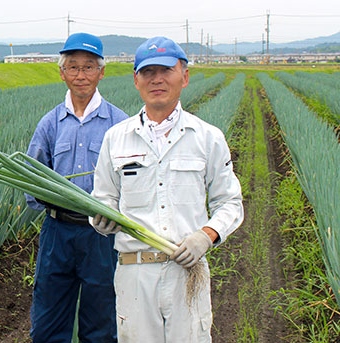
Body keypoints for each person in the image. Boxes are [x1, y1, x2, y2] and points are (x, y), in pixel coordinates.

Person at [91, 36, 244, 342]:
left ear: (184, 77)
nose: (157, 79)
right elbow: (103, 198)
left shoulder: (207, 138)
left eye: (166, 70)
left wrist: (207, 235)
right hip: (135, 273)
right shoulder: (116, 138)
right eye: (148, 72)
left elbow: (230, 203)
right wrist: (101, 219)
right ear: (136, 80)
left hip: (187, 270)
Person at [25, 32, 129, 343]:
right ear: (62, 73)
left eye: (88, 67)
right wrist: (52, 200)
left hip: (101, 235)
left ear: (101, 72)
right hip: (58, 233)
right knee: (47, 321)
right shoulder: (50, 123)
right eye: (73, 67)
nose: (80, 75)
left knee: (101, 320)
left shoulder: (119, 124)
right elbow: (32, 178)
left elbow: (131, 183)